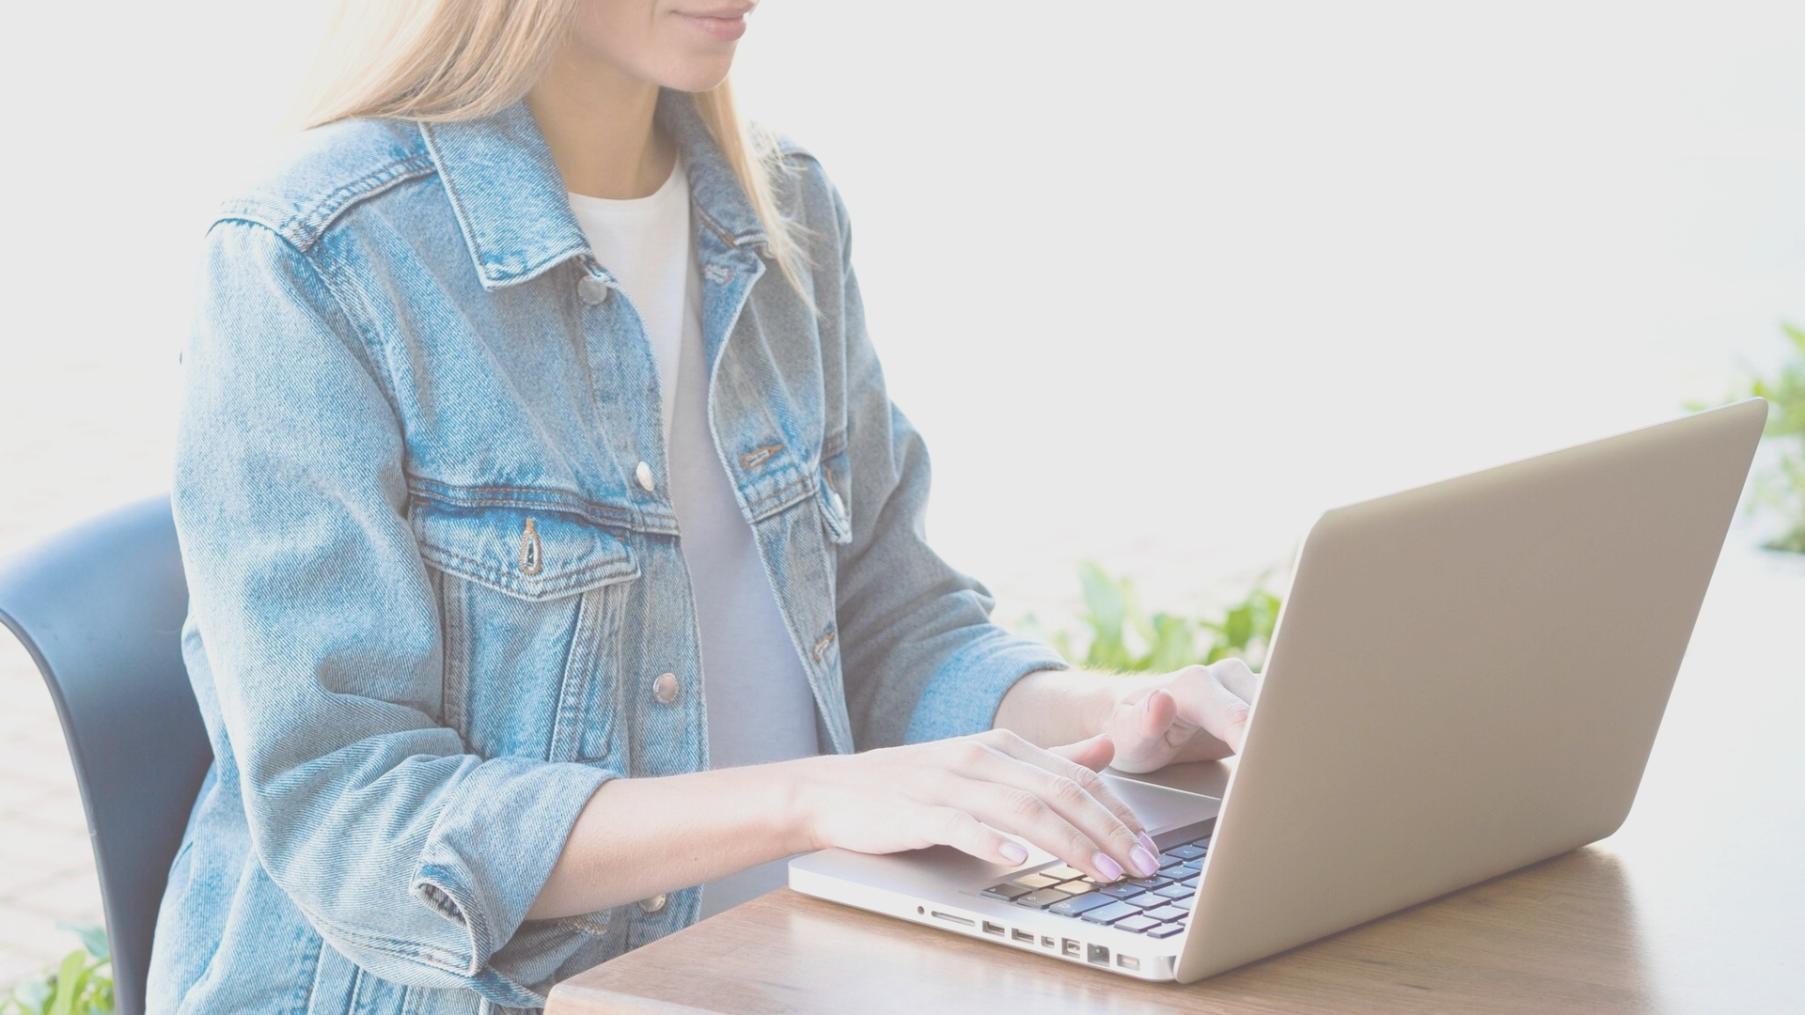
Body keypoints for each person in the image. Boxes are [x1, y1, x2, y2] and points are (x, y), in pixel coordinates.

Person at [147, 0, 1260, 1009]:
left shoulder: (784, 215)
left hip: (789, 960)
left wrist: (1118, 717)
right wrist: (812, 800)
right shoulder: (309, 254)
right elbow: (351, 813)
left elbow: (890, 629)